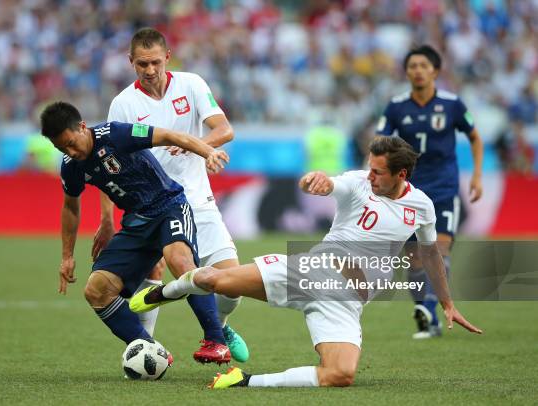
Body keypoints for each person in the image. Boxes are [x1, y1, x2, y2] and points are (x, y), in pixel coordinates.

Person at [130, 136, 482, 388]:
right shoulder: (358, 184)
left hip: (345, 303)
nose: (370, 176)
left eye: (378, 172)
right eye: (369, 168)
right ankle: (167, 291)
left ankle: (243, 381)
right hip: (312, 272)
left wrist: (447, 302)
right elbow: (332, 184)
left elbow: (431, 252)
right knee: (214, 281)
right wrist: (318, 181)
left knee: (340, 375)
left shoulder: (421, 206)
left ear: (401, 175)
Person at [92, 27, 249, 362]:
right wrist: (107, 219)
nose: (150, 71)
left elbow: (225, 129)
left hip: (198, 201)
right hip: (155, 205)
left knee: (231, 285)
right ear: (130, 62)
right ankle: (148, 351)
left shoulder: (191, 84)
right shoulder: (123, 104)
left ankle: (219, 327)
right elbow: (108, 164)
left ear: (167, 57)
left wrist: (196, 146)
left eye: (155, 63)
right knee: (159, 270)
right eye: (142, 64)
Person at [40, 101, 232, 364]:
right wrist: (67, 256)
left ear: (83, 127)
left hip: (169, 207)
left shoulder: (115, 134)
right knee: (96, 291)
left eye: (71, 143)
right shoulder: (71, 166)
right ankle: (148, 348)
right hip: (136, 223)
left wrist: (207, 151)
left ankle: (217, 341)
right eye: (61, 148)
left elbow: (169, 135)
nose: (70, 152)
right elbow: (70, 207)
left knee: (180, 262)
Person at [376, 45, 484, 339]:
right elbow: (379, 143)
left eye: (424, 65)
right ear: (406, 71)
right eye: (412, 66)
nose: (418, 70)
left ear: (435, 71)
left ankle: (430, 306)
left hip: (444, 188)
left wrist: (476, 176)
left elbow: (475, 138)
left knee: (439, 249)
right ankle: (428, 317)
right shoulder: (397, 106)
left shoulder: (452, 104)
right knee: (414, 259)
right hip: (408, 191)